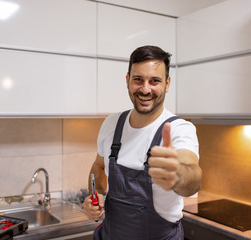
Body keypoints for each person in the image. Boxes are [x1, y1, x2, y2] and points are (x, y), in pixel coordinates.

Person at [82, 45, 202, 240]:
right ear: (128, 80)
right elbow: (98, 165)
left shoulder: (179, 129)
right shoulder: (111, 123)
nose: (145, 89)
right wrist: (94, 198)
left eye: (155, 81)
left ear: (167, 83)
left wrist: (178, 174)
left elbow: (192, 176)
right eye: (138, 80)